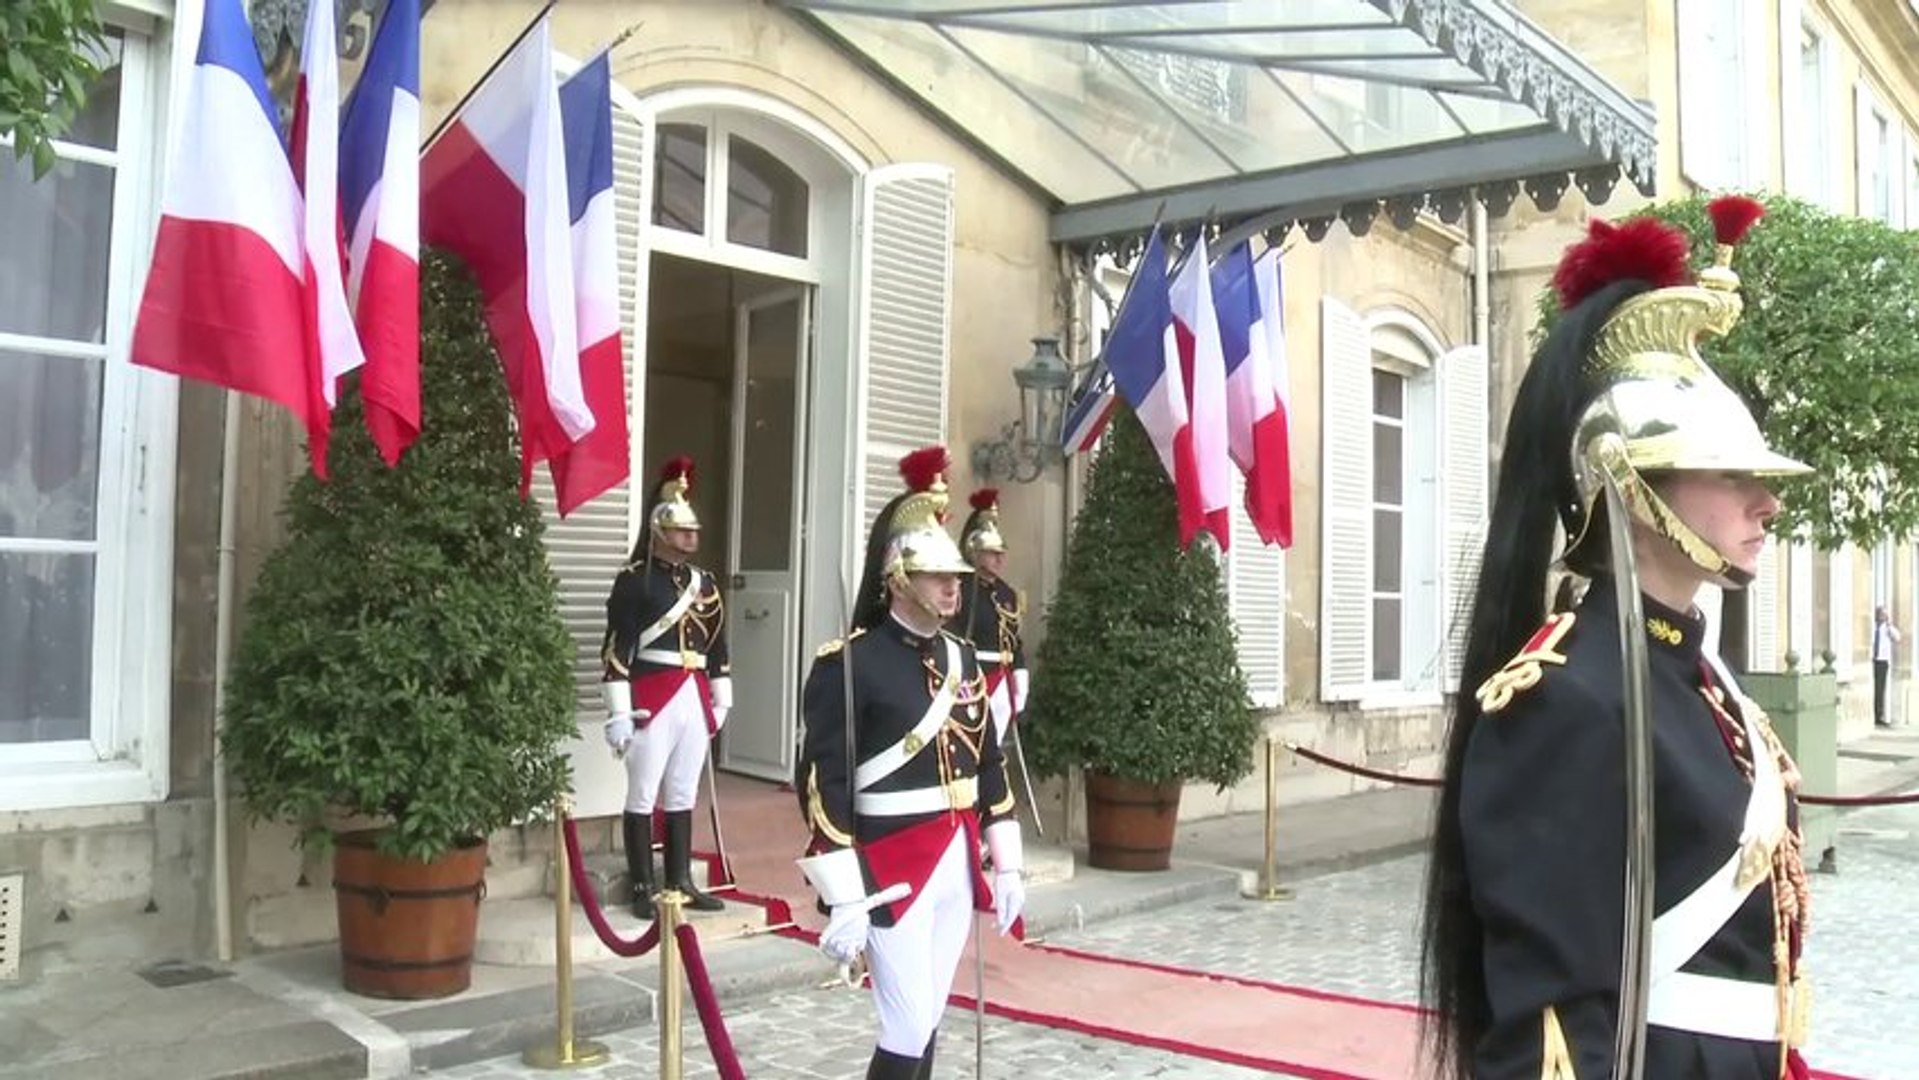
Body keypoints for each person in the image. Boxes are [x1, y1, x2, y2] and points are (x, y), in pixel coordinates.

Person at [1419, 200, 1817, 1079]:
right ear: (1628, 485)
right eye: (1732, 473)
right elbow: (1551, 1023)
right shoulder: (1564, 694)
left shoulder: (1702, 677)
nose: (1767, 504)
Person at [793, 446, 1026, 1080]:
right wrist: (843, 895)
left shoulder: (964, 660)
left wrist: (1007, 864)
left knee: (926, 1019)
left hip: (956, 854)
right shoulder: (849, 663)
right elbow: (824, 782)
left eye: (956, 575)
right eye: (937, 576)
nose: (954, 586)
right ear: (899, 578)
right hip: (890, 863)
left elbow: (989, 763)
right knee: (905, 1021)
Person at [600, 457, 730, 919]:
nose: (691, 537)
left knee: (681, 792)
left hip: (693, 694)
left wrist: (722, 698)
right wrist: (618, 711)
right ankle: (642, 885)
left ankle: (680, 879)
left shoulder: (705, 584)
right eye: (681, 530)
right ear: (659, 530)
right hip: (652, 695)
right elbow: (618, 649)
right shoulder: (634, 581)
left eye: (693, 530)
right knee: (642, 791)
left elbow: (717, 647)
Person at [950, 488, 1029, 747]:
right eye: (993, 552)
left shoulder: (1006, 593)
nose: (1000, 558)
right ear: (975, 550)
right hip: (972, 678)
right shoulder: (959, 587)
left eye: (1001, 552)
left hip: (1003, 680)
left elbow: (1014, 640)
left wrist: (1020, 673)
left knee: (994, 750)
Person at [1872, 605, 1901, 728]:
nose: (1882, 617)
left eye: (1884, 615)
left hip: (1882, 661)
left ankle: (1879, 716)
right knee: (1874, 689)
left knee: (1880, 689)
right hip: (1873, 660)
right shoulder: (1873, 627)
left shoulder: (1887, 629)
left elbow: (1897, 638)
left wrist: (1889, 625)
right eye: (1881, 614)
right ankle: (1875, 714)